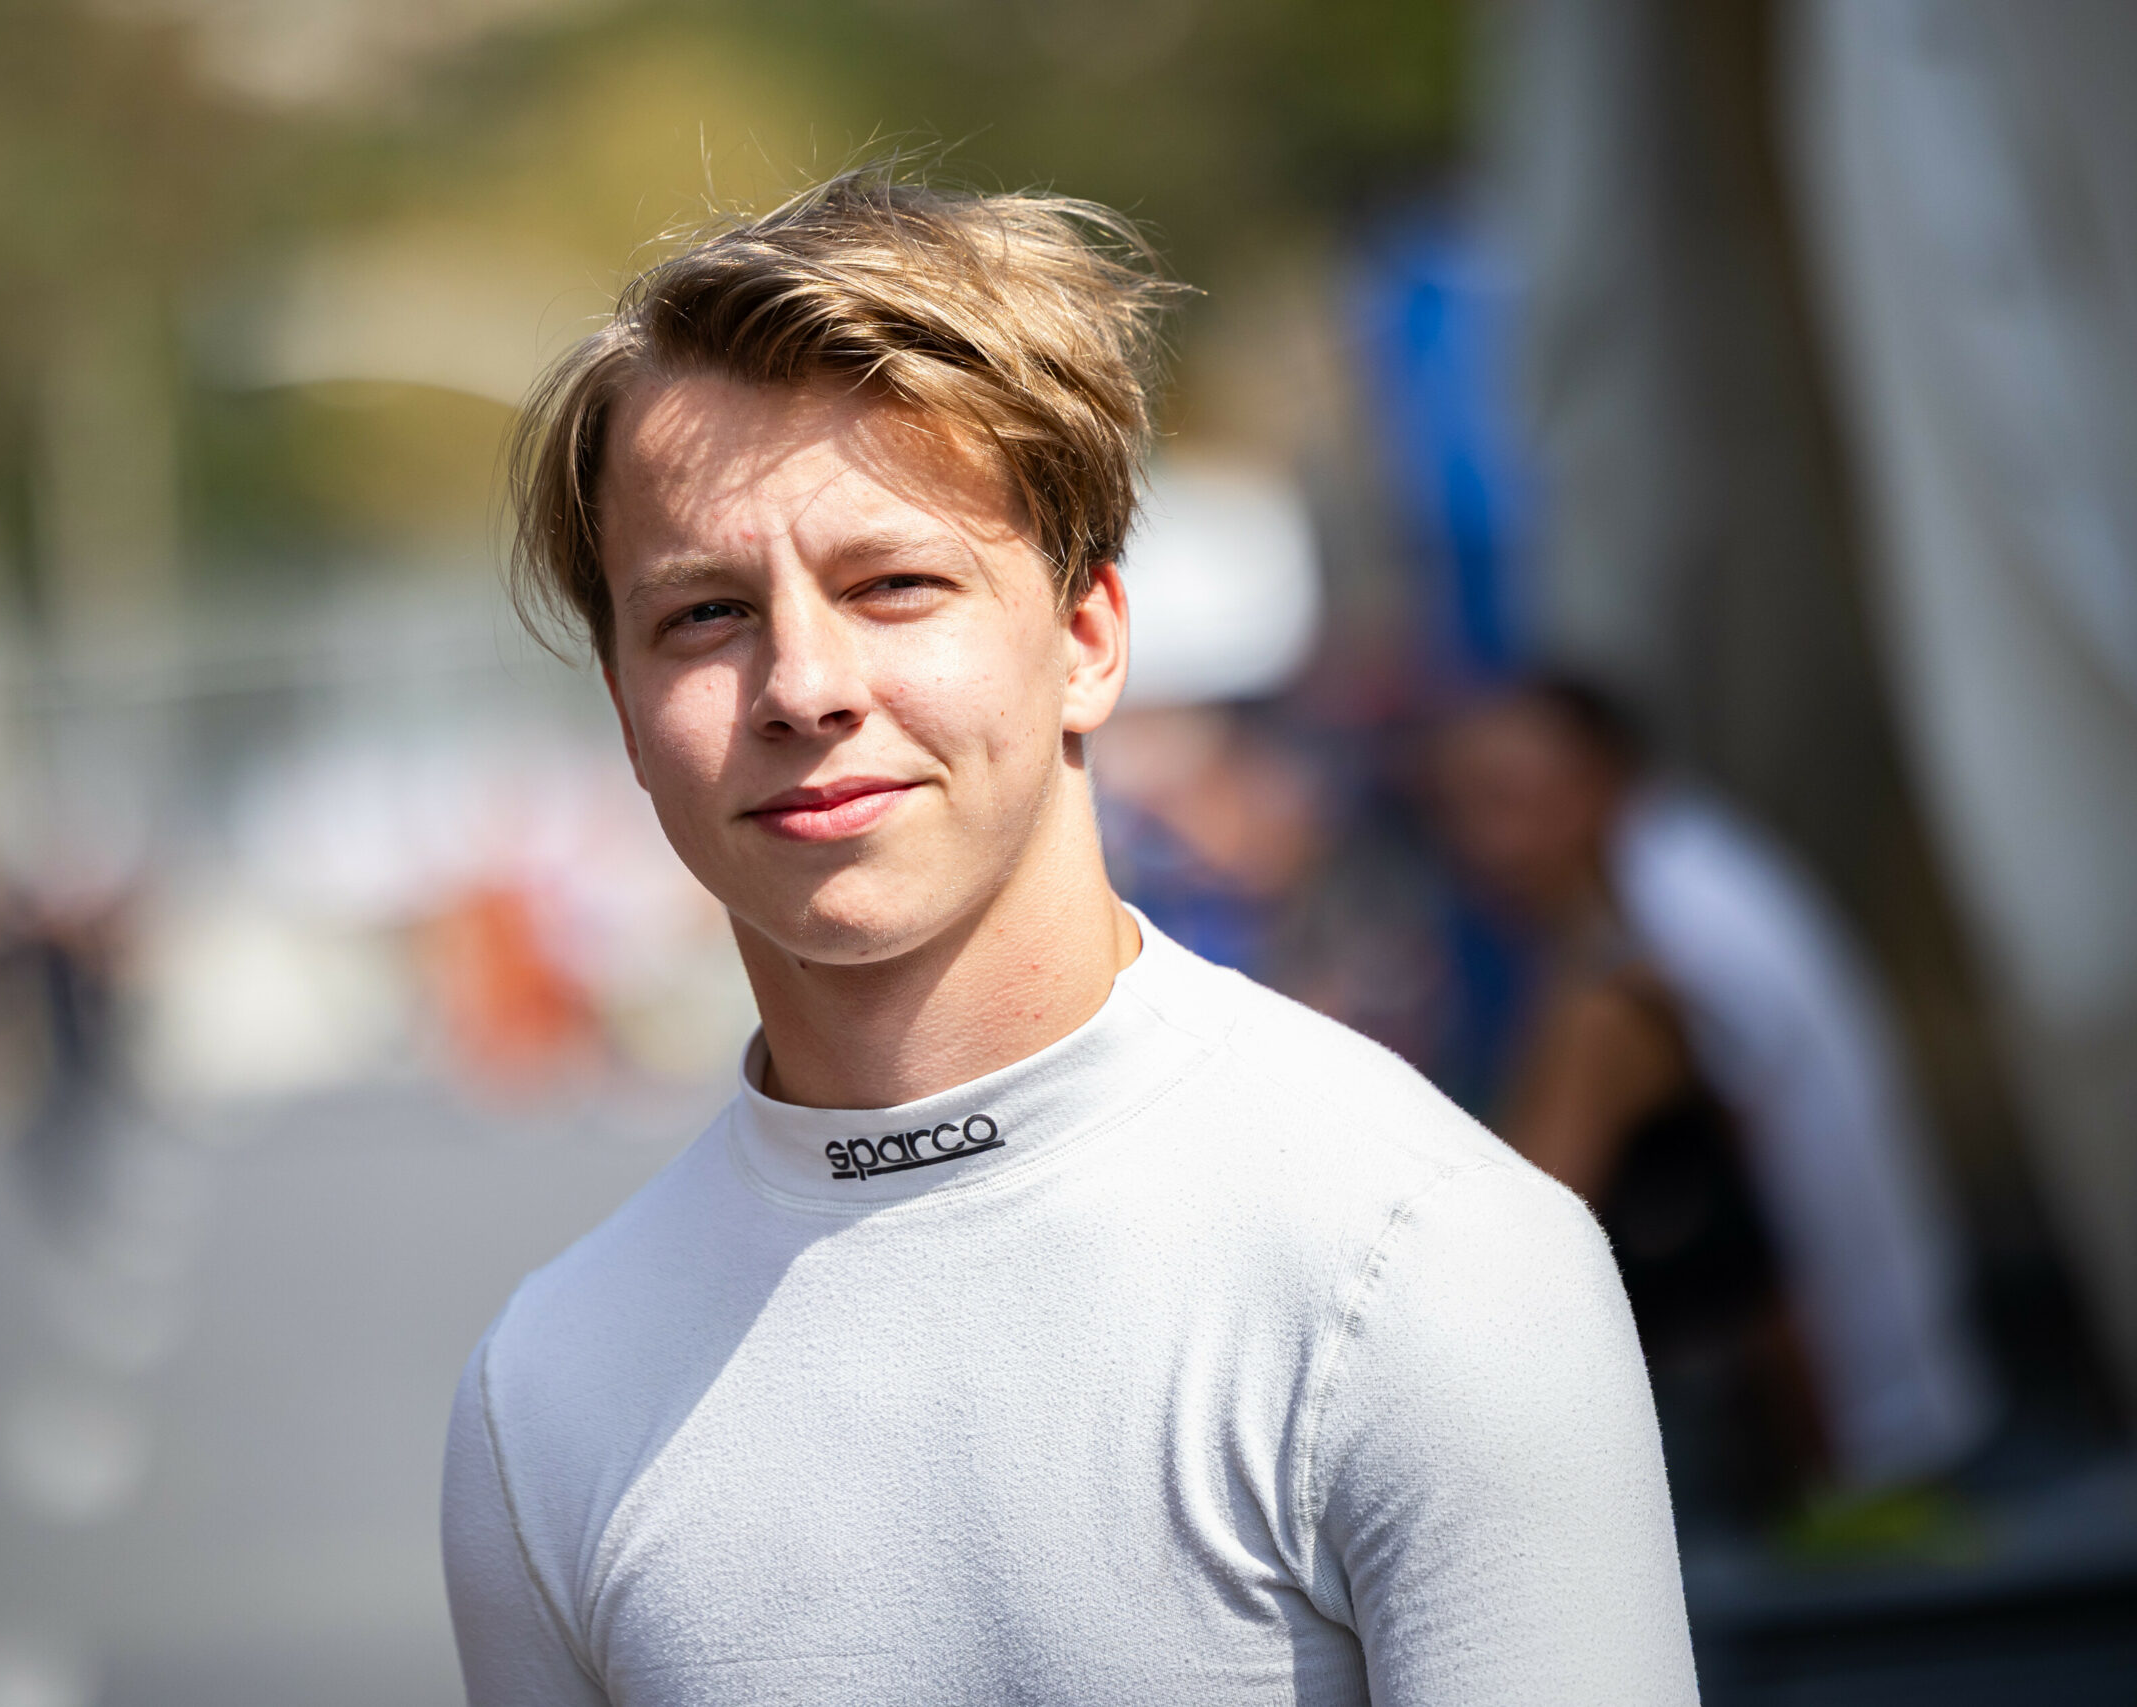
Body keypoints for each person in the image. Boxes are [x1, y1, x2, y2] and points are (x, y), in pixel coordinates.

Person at [441, 171, 1696, 1706]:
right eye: (703, 613)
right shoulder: (545, 1390)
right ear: (628, 711)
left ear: (1089, 639)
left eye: (893, 582)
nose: (802, 684)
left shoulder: (1424, 1261)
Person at [1431, 676, 1993, 1508]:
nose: (1484, 845)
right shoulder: (1687, 870)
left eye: (1511, 800)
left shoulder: (1655, 954)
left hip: (1842, 1448)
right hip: (1907, 1399)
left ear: (1606, 780)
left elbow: (1508, 1255)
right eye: (1453, 810)